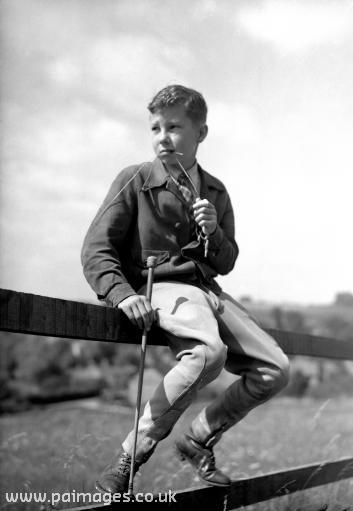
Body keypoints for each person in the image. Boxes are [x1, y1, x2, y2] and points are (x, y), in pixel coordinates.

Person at [81, 84, 290, 494]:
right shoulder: (135, 179)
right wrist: (123, 294)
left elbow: (226, 263)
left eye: (174, 126)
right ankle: (129, 458)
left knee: (275, 369)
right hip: (161, 284)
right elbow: (96, 249)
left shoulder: (215, 190)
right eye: (156, 127)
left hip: (208, 289)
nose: (163, 136)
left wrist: (213, 232)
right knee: (209, 353)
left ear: (201, 133)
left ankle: (197, 440)